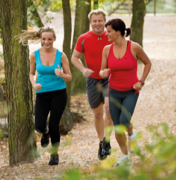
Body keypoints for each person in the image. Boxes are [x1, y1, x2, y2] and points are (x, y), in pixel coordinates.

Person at [99, 18, 151, 166]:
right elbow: (102, 71)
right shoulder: (107, 49)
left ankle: (131, 133)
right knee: (117, 126)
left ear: (118, 32)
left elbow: (148, 63)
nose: (106, 34)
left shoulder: (134, 47)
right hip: (114, 91)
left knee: (123, 122)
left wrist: (141, 82)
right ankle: (125, 157)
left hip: (130, 92)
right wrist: (104, 73)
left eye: (109, 31)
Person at [17, 26, 72, 165]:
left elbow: (69, 76)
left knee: (54, 124)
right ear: (40, 39)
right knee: (40, 125)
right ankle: (45, 133)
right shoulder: (34, 55)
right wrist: (33, 84)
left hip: (59, 93)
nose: (47, 42)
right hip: (41, 93)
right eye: (44, 39)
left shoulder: (61, 55)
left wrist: (62, 75)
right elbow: (30, 73)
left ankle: (54, 154)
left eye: (49, 39)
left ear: (54, 39)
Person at [71, 9, 113, 160]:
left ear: (105, 21)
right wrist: (83, 69)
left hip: (110, 78)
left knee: (108, 109)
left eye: (100, 20)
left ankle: (107, 141)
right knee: (97, 115)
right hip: (92, 79)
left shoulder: (111, 36)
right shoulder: (83, 38)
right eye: (94, 21)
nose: (97, 23)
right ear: (90, 22)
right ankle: (101, 143)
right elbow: (75, 57)